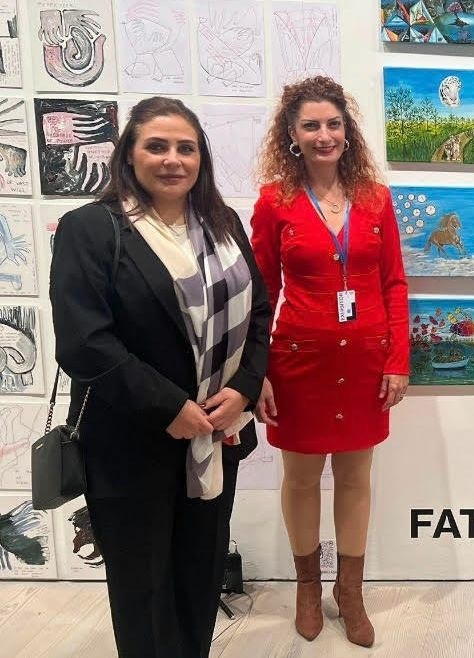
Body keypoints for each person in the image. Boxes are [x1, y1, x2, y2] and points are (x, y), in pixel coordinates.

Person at [49, 97, 270, 657]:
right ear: (129, 154)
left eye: (185, 148)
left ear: (201, 159)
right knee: (142, 587)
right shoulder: (91, 229)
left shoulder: (223, 225)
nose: (173, 159)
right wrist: (169, 407)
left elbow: (260, 312)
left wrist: (244, 389)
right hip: (131, 442)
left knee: (201, 574)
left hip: (216, 436)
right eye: (157, 146)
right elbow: (83, 341)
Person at [251, 75, 409, 648]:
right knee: (300, 479)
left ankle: (351, 591)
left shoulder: (375, 198)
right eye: (311, 125)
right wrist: (255, 371)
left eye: (334, 124)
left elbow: (394, 283)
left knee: (355, 476)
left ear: (348, 130)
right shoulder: (274, 202)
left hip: (366, 362)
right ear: (292, 135)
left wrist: (398, 359)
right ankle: (306, 587)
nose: (325, 135)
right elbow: (261, 292)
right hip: (297, 363)